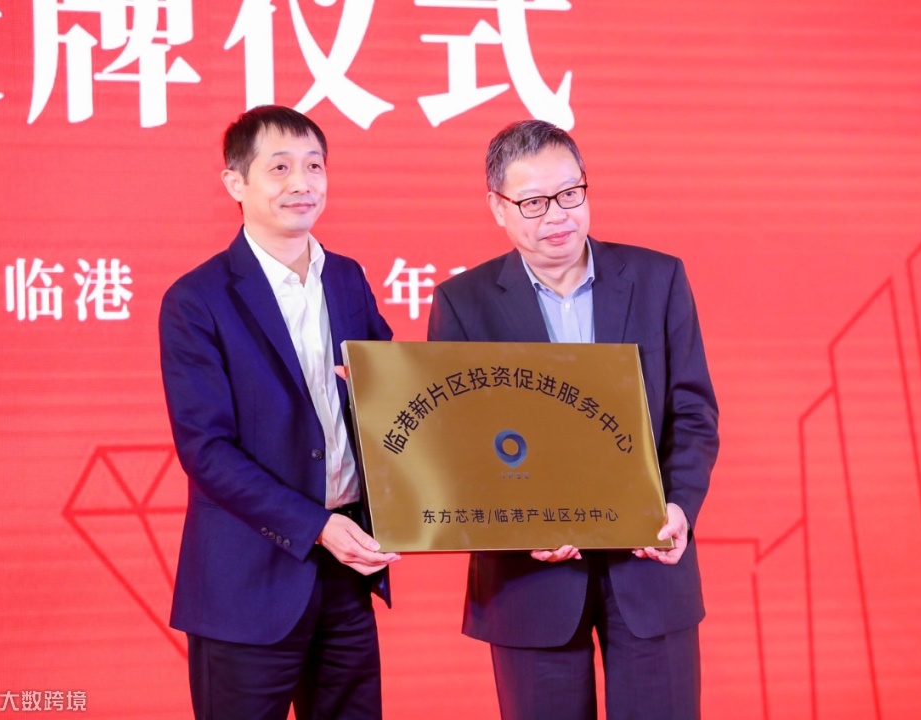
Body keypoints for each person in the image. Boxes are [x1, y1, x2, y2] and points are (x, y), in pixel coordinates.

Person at [427, 120, 719, 720]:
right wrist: (516, 527)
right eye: (533, 202)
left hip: (648, 564)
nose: (557, 215)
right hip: (529, 582)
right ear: (498, 208)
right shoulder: (464, 302)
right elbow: (455, 446)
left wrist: (679, 507)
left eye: (569, 193)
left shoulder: (658, 278)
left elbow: (693, 412)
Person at [159, 105, 400, 720]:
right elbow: (205, 451)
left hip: (346, 571)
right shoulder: (197, 299)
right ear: (235, 183)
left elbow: (394, 398)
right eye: (281, 167)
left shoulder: (346, 278)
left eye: (315, 166)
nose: (303, 182)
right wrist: (315, 525)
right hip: (248, 579)